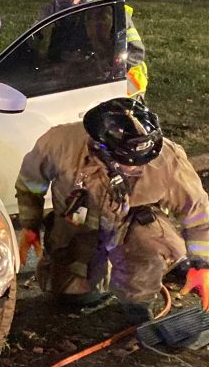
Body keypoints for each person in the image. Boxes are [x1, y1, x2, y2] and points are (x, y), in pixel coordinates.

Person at [15, 97, 209, 320]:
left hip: (132, 223)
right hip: (79, 222)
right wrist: (30, 226)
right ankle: (92, 277)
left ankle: (139, 299)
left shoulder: (168, 160)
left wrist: (202, 264)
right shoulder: (59, 142)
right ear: (99, 146)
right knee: (74, 295)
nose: (135, 167)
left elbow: (199, 212)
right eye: (127, 161)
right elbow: (30, 184)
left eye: (141, 160)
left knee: (146, 253)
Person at [38, 0, 148, 97]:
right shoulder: (50, 13)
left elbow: (136, 53)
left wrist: (95, 69)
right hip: (76, 77)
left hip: (122, 80)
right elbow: (38, 47)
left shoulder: (106, 11)